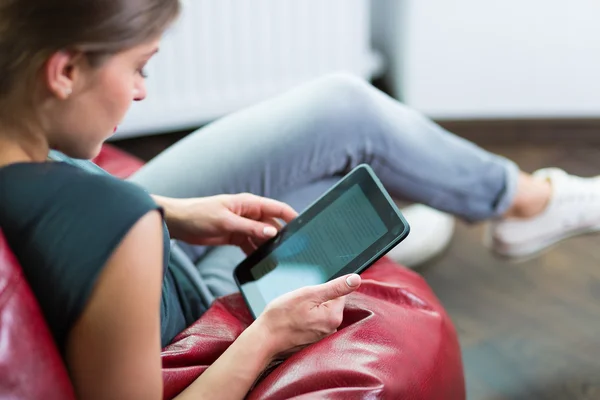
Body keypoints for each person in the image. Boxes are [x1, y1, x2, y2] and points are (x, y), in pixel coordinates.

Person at [2, 0, 599, 398]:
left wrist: (173, 213)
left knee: (340, 148)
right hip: (188, 312)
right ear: (65, 71)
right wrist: (267, 334)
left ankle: (516, 203)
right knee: (340, 164)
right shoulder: (113, 221)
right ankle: (525, 204)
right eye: (139, 67)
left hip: (148, 249)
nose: (140, 93)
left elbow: (68, 217)